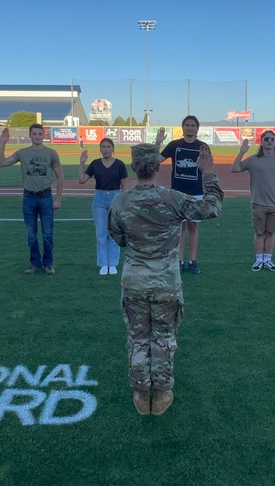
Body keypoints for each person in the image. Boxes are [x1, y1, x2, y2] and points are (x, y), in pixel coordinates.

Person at [108, 143, 223, 416]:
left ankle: (141, 391)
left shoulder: (120, 201)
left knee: (138, 338)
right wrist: (209, 175)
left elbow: (118, 237)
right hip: (166, 283)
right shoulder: (173, 198)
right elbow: (212, 208)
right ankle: (160, 394)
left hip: (134, 281)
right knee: (163, 338)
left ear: (134, 167)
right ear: (159, 167)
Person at [0, 124, 64, 275]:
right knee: (31, 234)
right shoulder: (22, 153)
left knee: (47, 234)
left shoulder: (51, 153)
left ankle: (48, 264)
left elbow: (60, 176)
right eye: (34, 134)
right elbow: (1, 163)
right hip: (28, 198)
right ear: (30, 135)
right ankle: (34, 264)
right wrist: (2, 143)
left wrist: (58, 199)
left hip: (46, 197)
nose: (37, 136)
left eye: (40, 134)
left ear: (44, 135)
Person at [230, 130, 275, 272]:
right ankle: (258, 260)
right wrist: (242, 152)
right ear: (262, 142)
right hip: (258, 203)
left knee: (270, 233)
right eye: (266, 139)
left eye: (272, 139)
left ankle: (268, 260)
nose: (269, 141)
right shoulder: (253, 160)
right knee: (259, 233)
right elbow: (234, 169)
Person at [155, 115, 207, 274]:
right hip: (177, 193)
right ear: (183, 127)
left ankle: (193, 261)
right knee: (179, 228)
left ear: (197, 128)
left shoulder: (202, 146)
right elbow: (156, 161)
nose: (190, 128)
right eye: (187, 125)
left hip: (196, 193)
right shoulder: (174, 145)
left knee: (193, 227)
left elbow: (208, 168)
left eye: (193, 125)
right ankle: (179, 261)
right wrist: (157, 143)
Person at [79, 137, 128, 275]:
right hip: (99, 198)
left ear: (113, 149)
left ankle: (112, 263)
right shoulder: (95, 164)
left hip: (115, 197)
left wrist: (123, 202)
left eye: (108, 146)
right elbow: (82, 180)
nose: (105, 149)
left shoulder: (119, 164)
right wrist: (82, 163)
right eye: (103, 146)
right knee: (101, 233)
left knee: (114, 232)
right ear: (100, 149)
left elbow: (124, 184)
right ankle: (103, 264)